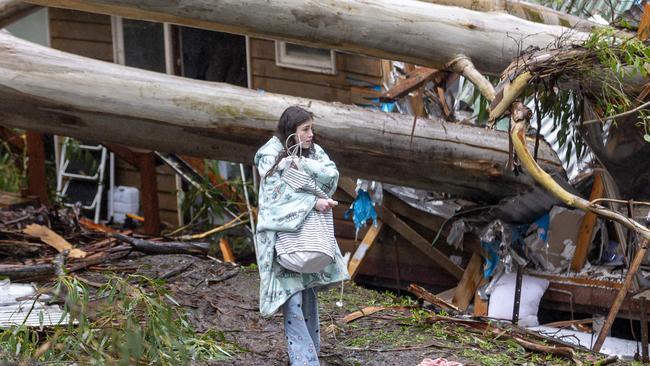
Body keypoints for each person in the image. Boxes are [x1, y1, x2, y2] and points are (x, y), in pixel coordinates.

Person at [254, 106, 350, 365]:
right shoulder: (269, 154)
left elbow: (330, 177)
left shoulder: (314, 152)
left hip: (310, 236)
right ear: (291, 131)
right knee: (292, 297)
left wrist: (299, 165)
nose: (311, 135)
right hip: (282, 239)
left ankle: (312, 351)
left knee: (308, 292)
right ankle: (305, 360)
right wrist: (312, 202)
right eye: (305, 129)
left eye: (312, 129)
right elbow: (274, 195)